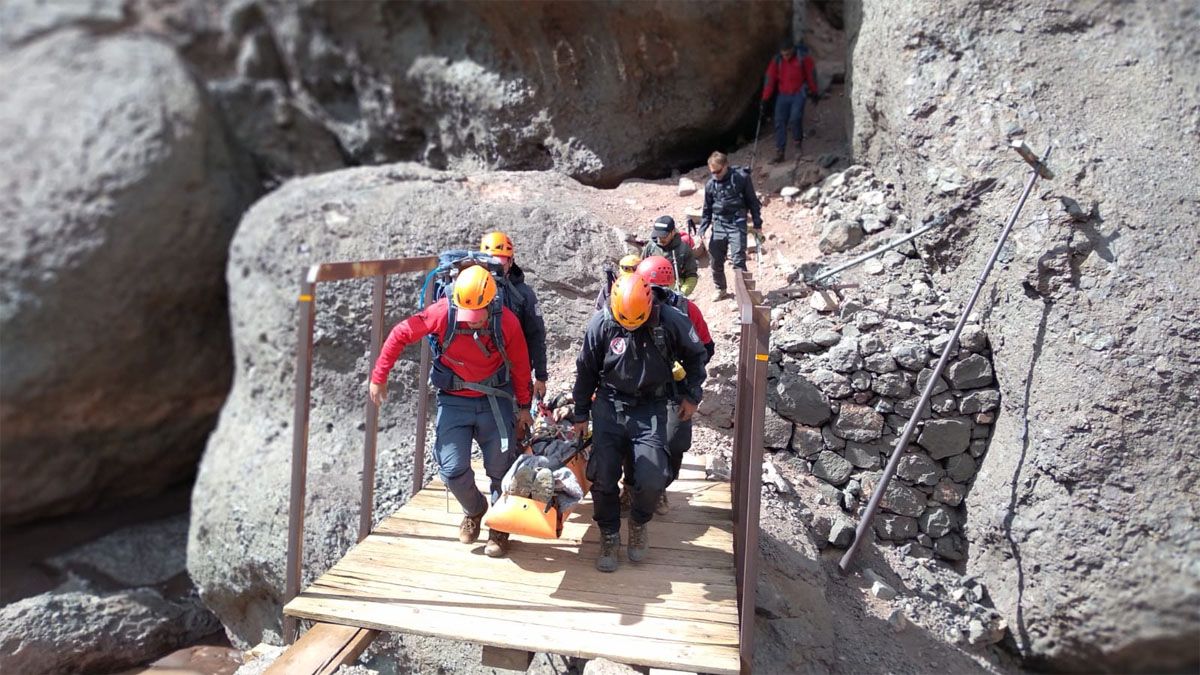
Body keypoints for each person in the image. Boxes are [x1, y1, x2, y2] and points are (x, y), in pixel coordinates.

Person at [369, 265, 533, 558]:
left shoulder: (506, 322)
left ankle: (498, 527)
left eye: (476, 316)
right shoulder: (443, 313)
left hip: (495, 400)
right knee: (451, 468)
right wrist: (379, 376)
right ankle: (475, 509)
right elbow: (400, 334)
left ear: (490, 303)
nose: (470, 323)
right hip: (454, 400)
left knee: (500, 469)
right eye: (466, 316)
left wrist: (524, 407)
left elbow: (521, 366)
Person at [571, 274, 708, 572]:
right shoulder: (602, 323)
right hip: (609, 405)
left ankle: (638, 522)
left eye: (638, 320)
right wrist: (581, 414)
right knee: (603, 473)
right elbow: (585, 371)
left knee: (652, 476)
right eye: (625, 320)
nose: (631, 325)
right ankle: (608, 533)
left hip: (651, 406)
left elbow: (697, 358)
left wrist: (692, 396)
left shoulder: (670, 320)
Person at [629, 256, 715, 514]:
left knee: (675, 441)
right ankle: (633, 487)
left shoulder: (687, 311)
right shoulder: (632, 306)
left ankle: (661, 487)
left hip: (676, 388)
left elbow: (705, 348)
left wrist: (684, 373)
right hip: (641, 387)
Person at [480, 231, 549, 401]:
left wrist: (541, 376)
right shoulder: (471, 290)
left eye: (501, 261)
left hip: (513, 372)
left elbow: (536, 336)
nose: (495, 267)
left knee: (517, 421)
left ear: (510, 262)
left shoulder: (523, 295)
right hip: (479, 371)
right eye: (490, 261)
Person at [699, 151, 763, 301]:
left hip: (737, 222)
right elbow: (707, 209)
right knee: (715, 259)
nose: (716, 175)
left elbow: (753, 202)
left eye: (718, 171)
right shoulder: (710, 185)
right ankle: (721, 289)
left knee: (738, 261)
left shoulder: (741, 178)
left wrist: (757, 224)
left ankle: (744, 296)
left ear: (726, 165)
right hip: (719, 223)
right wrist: (702, 229)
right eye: (712, 172)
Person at [762, 39, 818, 163]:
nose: (786, 57)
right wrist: (765, 98)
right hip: (783, 95)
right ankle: (780, 151)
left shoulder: (803, 58)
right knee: (779, 121)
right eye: (783, 55)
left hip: (799, 93)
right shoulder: (777, 61)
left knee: (795, 118)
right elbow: (770, 80)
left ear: (793, 50)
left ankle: (798, 144)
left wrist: (814, 91)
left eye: (788, 54)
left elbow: (810, 75)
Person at [641, 216, 699, 297]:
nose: (660, 239)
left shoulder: (684, 249)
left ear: (673, 232)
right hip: (651, 292)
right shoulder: (651, 247)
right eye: (658, 236)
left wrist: (681, 294)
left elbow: (691, 276)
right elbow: (641, 270)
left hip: (673, 293)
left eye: (664, 236)